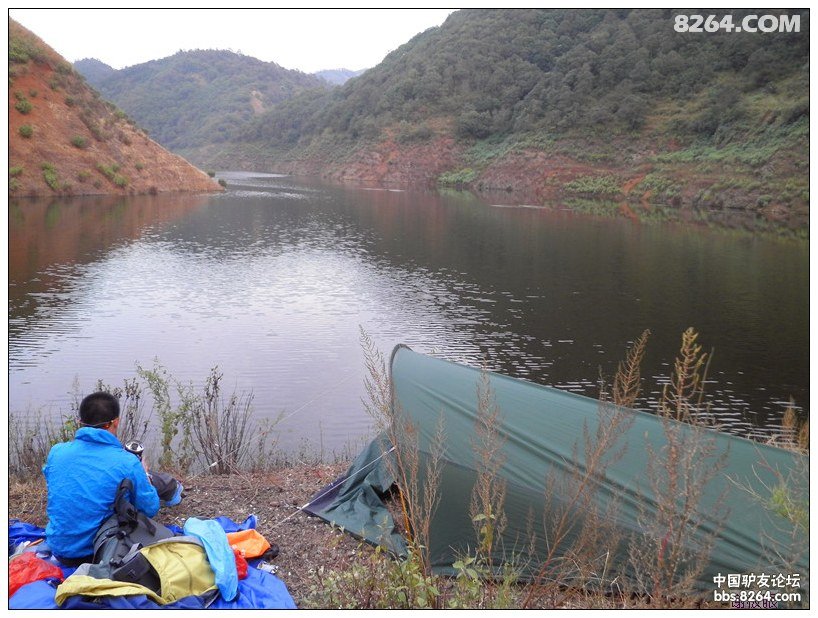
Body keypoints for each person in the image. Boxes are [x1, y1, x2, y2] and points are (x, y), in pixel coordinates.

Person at [43, 392, 160, 566]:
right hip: (98, 552)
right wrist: (144, 475)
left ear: (80, 422)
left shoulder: (57, 452)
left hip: (59, 547)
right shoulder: (126, 461)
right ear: (115, 422)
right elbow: (150, 508)